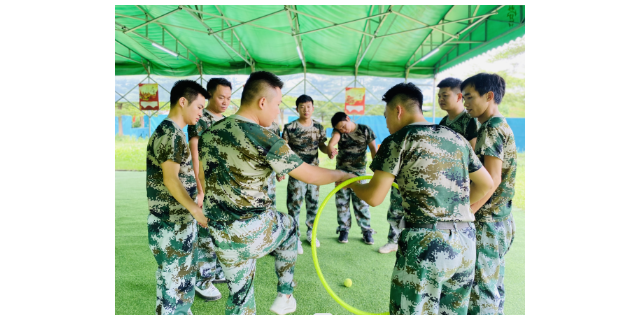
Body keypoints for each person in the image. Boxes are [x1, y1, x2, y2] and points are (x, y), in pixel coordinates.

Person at [197, 71, 354, 315]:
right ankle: (285, 294)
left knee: (240, 300)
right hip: (251, 230)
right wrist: (343, 175)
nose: (277, 111)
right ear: (262, 102)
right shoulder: (265, 137)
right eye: (278, 104)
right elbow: (309, 175)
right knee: (290, 226)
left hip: (219, 231)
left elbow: (203, 179)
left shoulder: (209, 133)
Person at [343, 82, 494, 315]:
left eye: (386, 116)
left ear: (398, 110)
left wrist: (351, 181)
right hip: (465, 242)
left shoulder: (398, 140)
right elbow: (486, 184)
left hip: (425, 243)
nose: (387, 123)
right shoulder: (456, 138)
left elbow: (374, 197)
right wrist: (456, 209)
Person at [146, 80, 210, 315]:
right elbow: (170, 179)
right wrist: (195, 209)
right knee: (172, 286)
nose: (201, 113)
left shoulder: (174, 132)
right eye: (200, 107)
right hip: (170, 223)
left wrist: (197, 195)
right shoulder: (170, 134)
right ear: (183, 102)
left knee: (178, 281)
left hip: (177, 221)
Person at [462, 73, 517, 315]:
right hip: (502, 219)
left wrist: (468, 210)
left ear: (489, 96)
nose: (465, 103)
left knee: (482, 289)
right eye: (463, 98)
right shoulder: (500, 124)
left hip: (489, 221)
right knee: (493, 283)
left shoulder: (491, 128)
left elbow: (492, 180)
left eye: (469, 97)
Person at [188, 78, 232, 301]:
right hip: (206, 184)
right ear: (210, 96)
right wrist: (200, 189)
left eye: (229, 98)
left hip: (223, 185)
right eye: (221, 97)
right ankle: (202, 280)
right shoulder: (199, 118)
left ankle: (214, 271)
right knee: (205, 233)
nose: (225, 102)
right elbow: (194, 154)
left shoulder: (227, 121)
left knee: (221, 230)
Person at [281, 94, 331, 254]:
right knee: (294, 205)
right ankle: (294, 237)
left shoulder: (318, 127)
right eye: (302, 107)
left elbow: (322, 145)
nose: (305, 110)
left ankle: (311, 233)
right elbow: (283, 149)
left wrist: (328, 150)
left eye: (308, 106)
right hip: (297, 172)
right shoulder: (290, 127)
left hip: (315, 172)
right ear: (297, 109)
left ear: (313, 108)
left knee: (313, 204)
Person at [327, 112, 377, 245]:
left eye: (344, 126)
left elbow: (373, 149)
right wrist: (331, 147)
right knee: (342, 203)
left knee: (361, 203)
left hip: (359, 173)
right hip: (341, 174)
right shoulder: (338, 132)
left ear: (348, 119)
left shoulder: (365, 129)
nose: (343, 130)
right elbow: (333, 140)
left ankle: (366, 231)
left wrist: (377, 167)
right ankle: (343, 230)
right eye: (340, 129)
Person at [437, 77, 479, 149]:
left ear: (459, 97)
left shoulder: (470, 120)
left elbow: (473, 152)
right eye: (439, 96)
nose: (440, 99)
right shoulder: (443, 121)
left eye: (445, 95)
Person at [266, 121, 281, 207]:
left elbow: (277, 149)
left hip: (269, 172)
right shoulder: (244, 123)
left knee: (271, 204)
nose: (278, 111)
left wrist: (279, 168)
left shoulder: (274, 126)